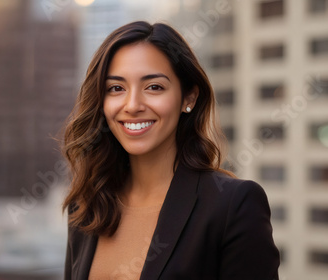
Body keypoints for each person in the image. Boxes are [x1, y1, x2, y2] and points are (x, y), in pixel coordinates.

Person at [61, 21, 280, 280]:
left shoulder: (233, 205)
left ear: (189, 97)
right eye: (116, 88)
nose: (132, 105)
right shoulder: (87, 204)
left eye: (154, 87)